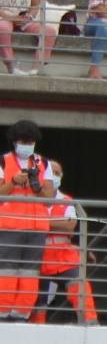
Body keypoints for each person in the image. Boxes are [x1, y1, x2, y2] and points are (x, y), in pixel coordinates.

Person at [0, 118, 54, 322]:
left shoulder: (44, 163)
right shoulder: (4, 161)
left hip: (36, 228)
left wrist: (36, 186)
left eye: (30, 141)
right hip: (9, 225)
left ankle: (21, 314)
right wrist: (13, 182)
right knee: (6, 271)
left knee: (29, 274)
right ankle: (2, 313)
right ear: (14, 141)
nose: (27, 144)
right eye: (23, 140)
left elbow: (48, 198)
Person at [35, 158, 98, 325]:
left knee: (79, 286)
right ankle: (36, 330)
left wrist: (41, 223)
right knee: (37, 299)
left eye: (58, 173)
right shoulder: (33, 198)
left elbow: (70, 225)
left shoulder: (67, 200)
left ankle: (90, 325)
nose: (54, 176)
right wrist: (56, 223)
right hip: (38, 255)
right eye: (51, 173)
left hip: (63, 255)